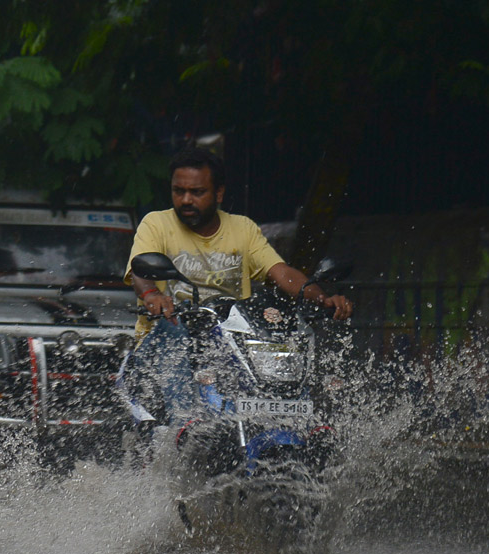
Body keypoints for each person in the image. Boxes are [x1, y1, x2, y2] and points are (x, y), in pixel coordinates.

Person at [124, 146, 352, 420]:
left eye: (197, 192)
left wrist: (319, 297)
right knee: (174, 329)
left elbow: (280, 271)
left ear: (218, 193)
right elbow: (140, 269)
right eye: (178, 191)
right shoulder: (156, 224)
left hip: (230, 346)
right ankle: (183, 422)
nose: (186, 200)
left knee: (286, 332)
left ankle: (308, 422)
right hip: (166, 340)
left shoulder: (242, 229)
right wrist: (152, 295)